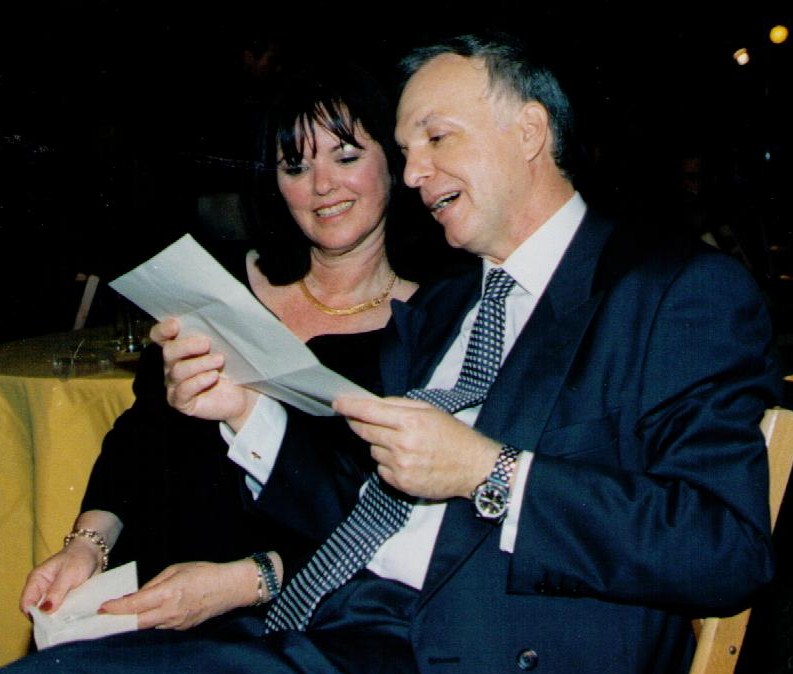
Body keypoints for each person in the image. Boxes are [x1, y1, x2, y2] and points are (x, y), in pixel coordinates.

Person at [2, 29, 783, 674]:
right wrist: (242, 408)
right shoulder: (448, 307)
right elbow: (363, 497)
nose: (412, 175)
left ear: (529, 132)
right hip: (333, 626)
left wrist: (493, 474)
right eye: (406, 151)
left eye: (435, 139)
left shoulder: (673, 291)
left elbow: (724, 548)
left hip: (473, 647)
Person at [14, 57, 422, 634]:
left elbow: (396, 527)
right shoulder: (218, 285)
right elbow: (142, 436)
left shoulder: (430, 324)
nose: (322, 185)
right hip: (146, 594)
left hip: (298, 614)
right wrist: (86, 547)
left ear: (394, 163)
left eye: (346, 157)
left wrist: (238, 584)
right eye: (295, 166)